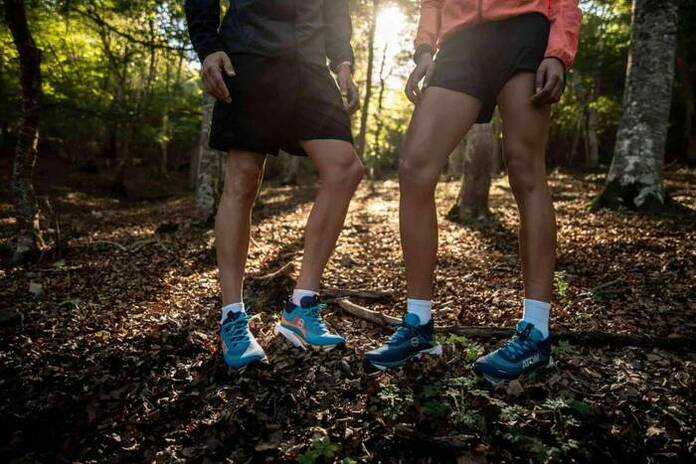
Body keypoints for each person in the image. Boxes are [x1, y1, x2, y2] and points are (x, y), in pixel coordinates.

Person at [363, 0, 582, 383]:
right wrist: (424, 48)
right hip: (460, 43)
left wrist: (559, 52)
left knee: (525, 170)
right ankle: (417, 324)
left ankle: (536, 333)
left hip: (523, 31)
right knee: (415, 167)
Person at [185, 0, 363, 369]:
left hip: (310, 61)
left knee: (345, 168)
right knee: (244, 176)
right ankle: (232, 318)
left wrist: (343, 61)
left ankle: (301, 307)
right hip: (250, 50)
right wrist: (208, 45)